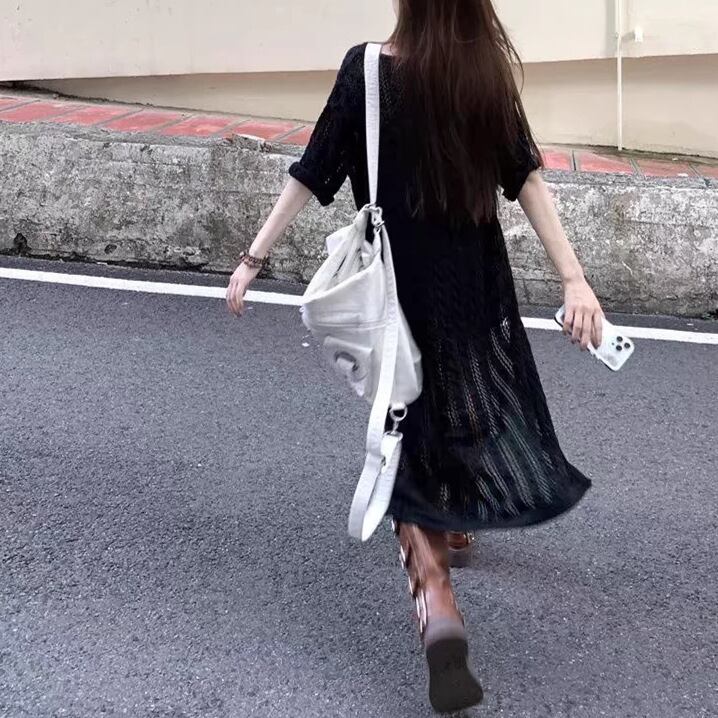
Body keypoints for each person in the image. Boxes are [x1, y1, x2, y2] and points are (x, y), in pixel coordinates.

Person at [226, 0, 604, 712]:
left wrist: (254, 257)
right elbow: (526, 177)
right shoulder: (482, 73)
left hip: (394, 287)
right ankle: (449, 518)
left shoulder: (368, 70)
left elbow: (312, 172)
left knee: (404, 422)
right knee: (460, 401)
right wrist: (574, 279)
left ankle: (434, 591)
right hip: (472, 286)